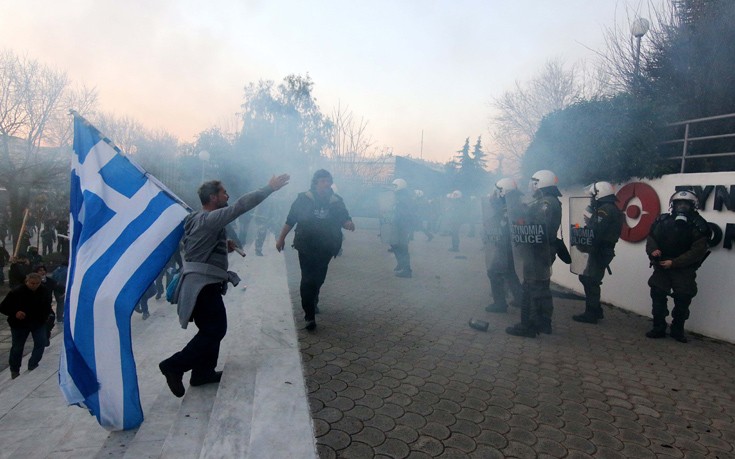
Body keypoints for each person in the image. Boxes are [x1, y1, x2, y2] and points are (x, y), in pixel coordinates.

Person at [159, 174, 290, 397]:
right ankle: (174, 365)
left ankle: (203, 373)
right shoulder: (210, 219)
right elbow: (240, 206)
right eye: (224, 193)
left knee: (211, 329)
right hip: (202, 286)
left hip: (202, 284)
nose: (228, 196)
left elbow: (194, 244)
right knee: (216, 329)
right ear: (213, 197)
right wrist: (269, 188)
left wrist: (221, 243)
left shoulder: (196, 218)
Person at [276, 169, 355, 331]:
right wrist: (281, 238)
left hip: (326, 247)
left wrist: (348, 223)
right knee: (307, 279)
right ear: (316, 182)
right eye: (323, 180)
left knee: (319, 278)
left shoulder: (336, 200)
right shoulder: (303, 199)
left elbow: (344, 217)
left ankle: (314, 298)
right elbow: (291, 220)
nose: (327, 184)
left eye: (329, 181)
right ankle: (309, 316)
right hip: (306, 245)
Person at [645, 190, 710, 343]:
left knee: (683, 298)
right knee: (658, 293)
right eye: (678, 203)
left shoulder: (698, 225)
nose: (681, 206)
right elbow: (652, 238)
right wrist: (653, 251)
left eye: (685, 204)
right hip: (662, 265)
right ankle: (658, 327)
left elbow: (697, 251)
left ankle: (677, 330)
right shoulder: (663, 220)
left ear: (692, 206)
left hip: (683, 269)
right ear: (672, 205)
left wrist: (675, 263)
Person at [506, 170, 562, 338]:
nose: (531, 186)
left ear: (541, 183)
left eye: (534, 182)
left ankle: (528, 326)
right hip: (541, 250)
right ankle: (543, 322)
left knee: (531, 287)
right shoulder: (548, 201)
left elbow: (537, 227)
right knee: (541, 286)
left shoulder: (546, 203)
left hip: (537, 251)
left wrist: (521, 217)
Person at [571, 182, 624, 324]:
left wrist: (580, 233)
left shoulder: (605, 210)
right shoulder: (609, 208)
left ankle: (591, 313)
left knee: (590, 280)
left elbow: (595, 231)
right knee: (588, 278)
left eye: (593, 195)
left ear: (599, 194)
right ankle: (596, 310)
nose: (591, 198)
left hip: (600, 250)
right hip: (601, 250)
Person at [0, 272, 53, 379]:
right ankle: (14, 369)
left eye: (37, 283)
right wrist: (15, 312)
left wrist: (47, 316)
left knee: (41, 342)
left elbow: (47, 305)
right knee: (17, 347)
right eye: (32, 283)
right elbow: (3, 307)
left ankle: (33, 363)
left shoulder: (44, 291)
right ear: (27, 282)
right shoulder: (16, 292)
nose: (34, 286)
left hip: (38, 322)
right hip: (19, 324)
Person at [484, 178, 523, 313]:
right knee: (510, 272)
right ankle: (520, 298)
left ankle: (500, 303)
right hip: (510, 246)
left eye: (497, 190)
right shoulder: (514, 203)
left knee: (493, 272)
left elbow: (503, 223)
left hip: (505, 246)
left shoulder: (508, 206)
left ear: (503, 192)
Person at [389, 178, 415, 278]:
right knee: (395, 244)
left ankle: (407, 270)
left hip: (402, 226)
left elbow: (405, 213)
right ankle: (401, 264)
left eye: (395, 186)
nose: (393, 188)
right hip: (398, 225)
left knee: (402, 247)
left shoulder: (404, 197)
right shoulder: (400, 195)